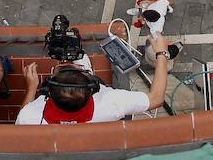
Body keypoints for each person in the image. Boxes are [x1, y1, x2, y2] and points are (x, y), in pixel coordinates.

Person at [16, 31, 173, 124]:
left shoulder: (29, 116)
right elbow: (156, 98)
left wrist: (30, 88)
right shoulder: (111, 104)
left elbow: (23, 114)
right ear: (92, 85)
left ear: (47, 91)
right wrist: (161, 53)